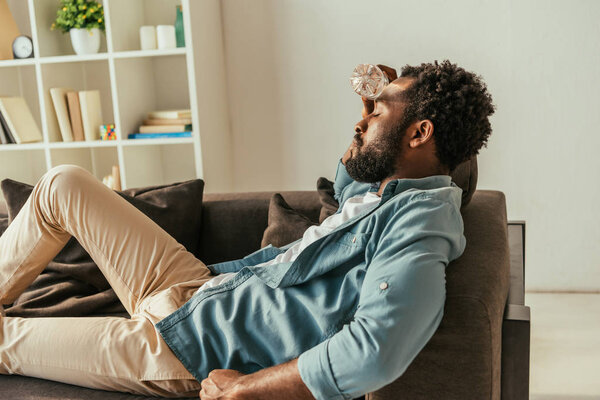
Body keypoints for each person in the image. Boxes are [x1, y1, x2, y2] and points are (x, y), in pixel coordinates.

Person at [0, 59, 495, 399]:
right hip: (195, 287)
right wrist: (371, 111)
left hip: (184, 349)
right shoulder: (387, 190)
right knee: (63, 184)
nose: (363, 123)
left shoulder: (422, 223)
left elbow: (377, 348)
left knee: (6, 342)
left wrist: (245, 389)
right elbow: (352, 179)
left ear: (420, 133)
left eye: (379, 114)